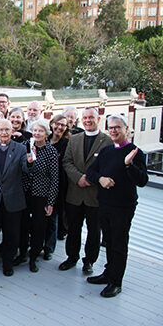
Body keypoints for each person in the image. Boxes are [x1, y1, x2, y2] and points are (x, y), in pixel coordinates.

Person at [86, 115, 148, 298]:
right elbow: (91, 172)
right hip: (104, 204)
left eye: (117, 127)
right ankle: (108, 273)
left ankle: (116, 282)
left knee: (119, 244)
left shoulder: (136, 152)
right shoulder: (106, 151)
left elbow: (142, 181)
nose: (113, 130)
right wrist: (101, 179)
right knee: (108, 241)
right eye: (111, 128)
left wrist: (129, 165)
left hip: (123, 207)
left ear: (126, 129)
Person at [60, 108, 112, 275]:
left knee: (94, 230)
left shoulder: (107, 141)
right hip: (75, 192)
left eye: (91, 117)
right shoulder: (74, 139)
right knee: (73, 228)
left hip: (95, 195)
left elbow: (109, 167)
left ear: (98, 119)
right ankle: (71, 257)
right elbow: (67, 162)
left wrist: (90, 179)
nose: (88, 120)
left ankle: (89, 260)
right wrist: (78, 178)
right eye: (85, 118)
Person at [0, 119, 35, 276]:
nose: (4, 133)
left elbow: (26, 168)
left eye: (7, 130)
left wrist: (31, 162)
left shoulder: (19, 149)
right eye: (1, 130)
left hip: (13, 198)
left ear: (12, 131)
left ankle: (8, 263)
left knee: (11, 235)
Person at [15, 120, 59, 273]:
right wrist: (29, 162)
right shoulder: (25, 146)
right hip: (25, 192)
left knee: (38, 227)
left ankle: (33, 258)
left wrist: (51, 202)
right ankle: (22, 254)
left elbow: (54, 178)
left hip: (41, 194)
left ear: (47, 134)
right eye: (34, 130)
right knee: (23, 225)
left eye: (40, 131)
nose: (37, 133)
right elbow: (22, 169)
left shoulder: (51, 151)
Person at [49, 114, 70, 244]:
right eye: (57, 123)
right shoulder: (45, 139)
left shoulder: (68, 144)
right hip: (43, 182)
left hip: (59, 183)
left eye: (63, 125)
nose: (59, 127)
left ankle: (49, 247)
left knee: (53, 216)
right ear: (51, 124)